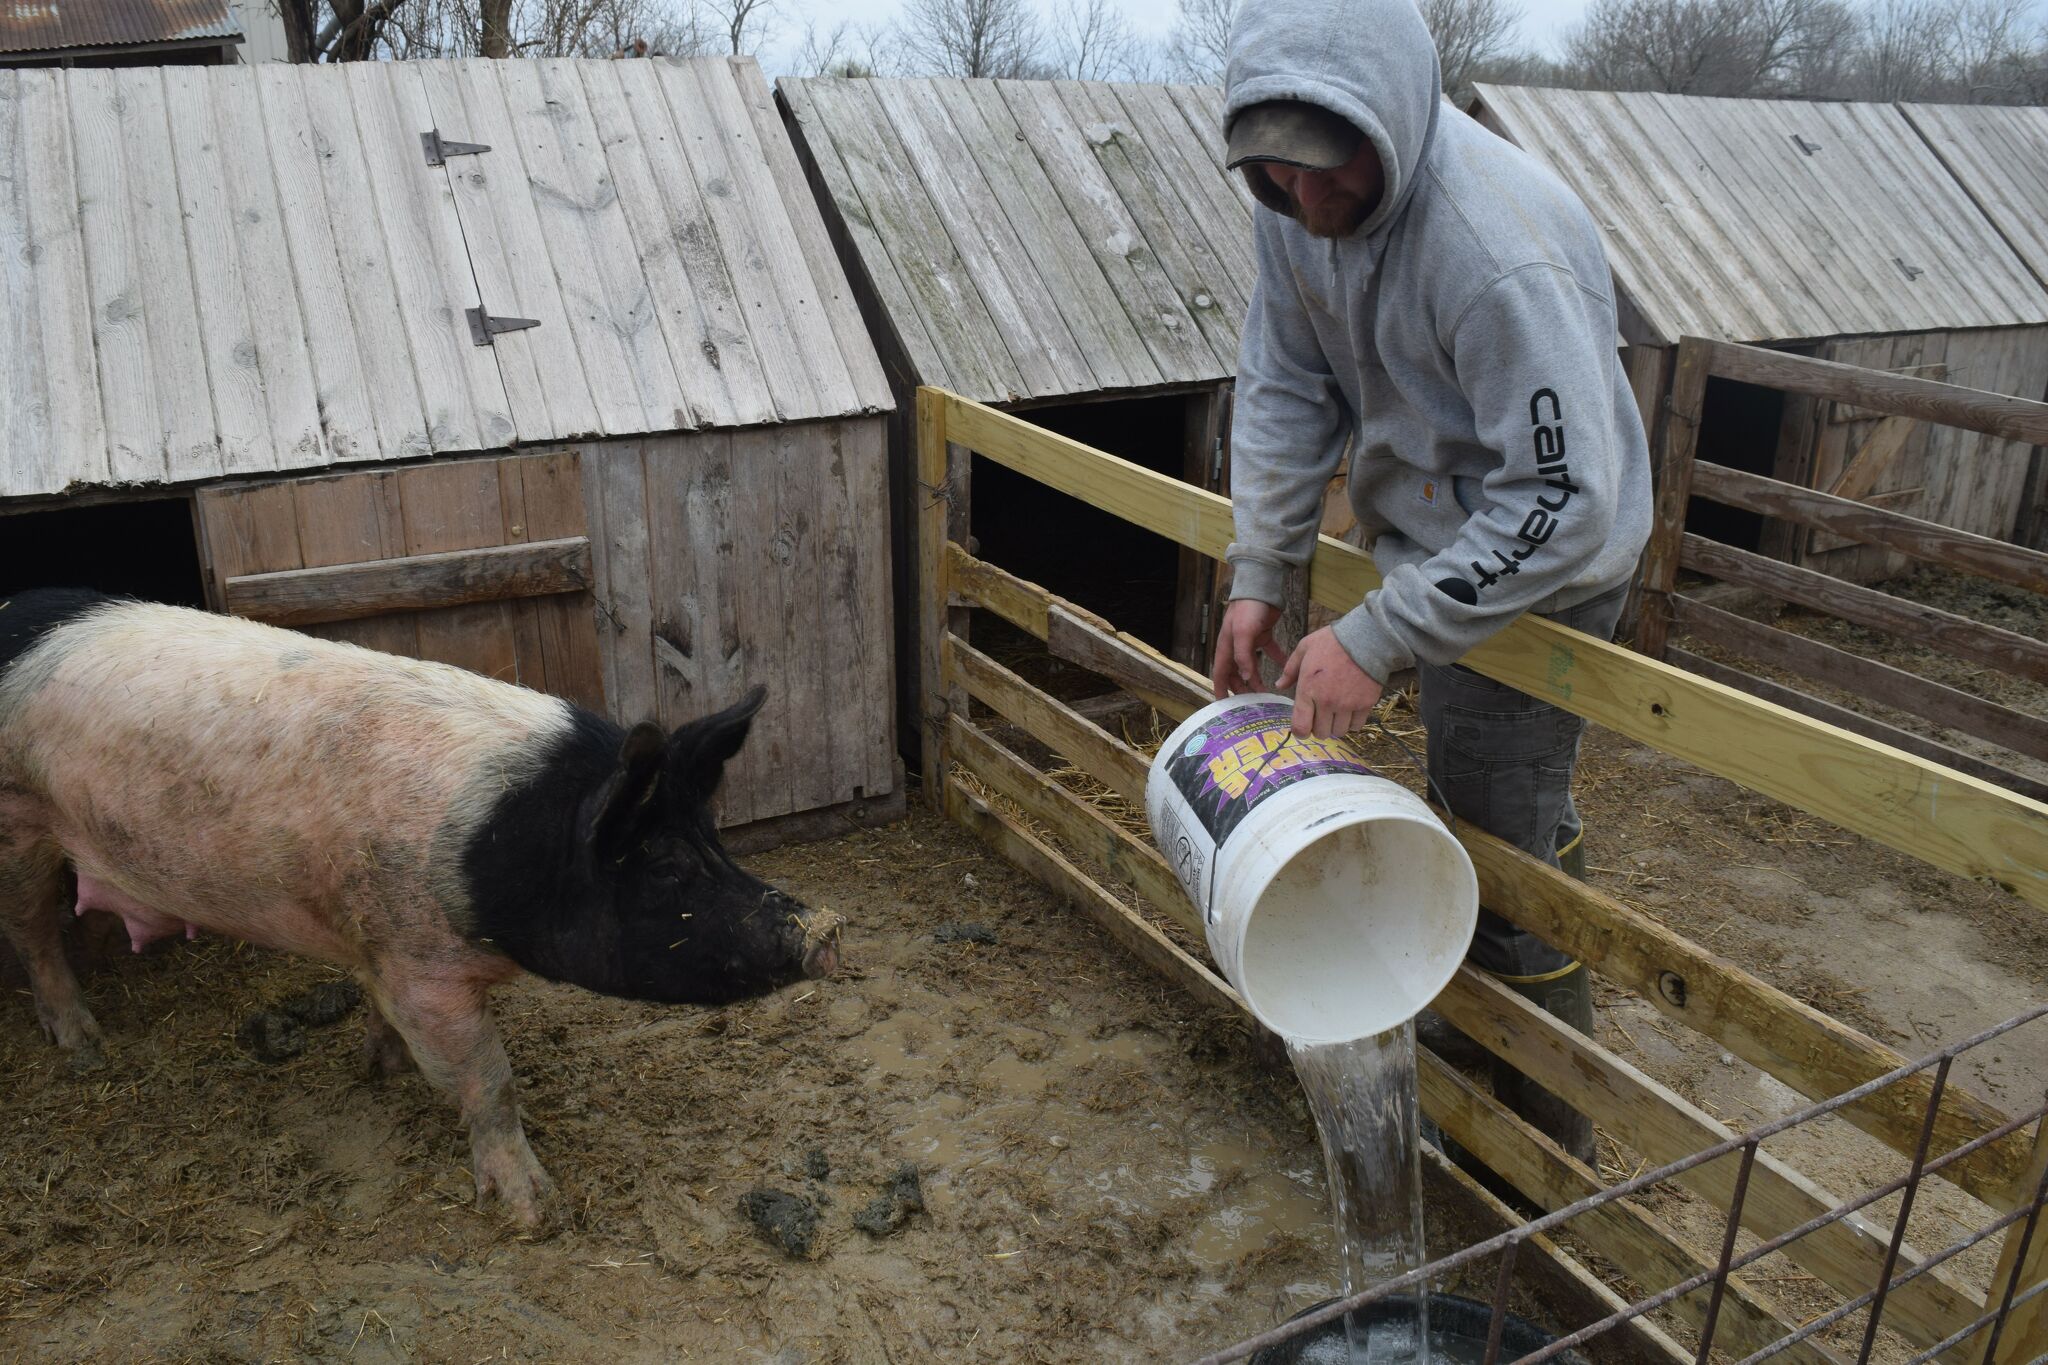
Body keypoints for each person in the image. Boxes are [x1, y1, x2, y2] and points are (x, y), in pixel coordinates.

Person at [1209, 0, 1653, 1163]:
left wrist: (1375, 633)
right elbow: (1283, 380)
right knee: (1483, 807)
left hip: (1541, 568)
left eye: (1327, 165)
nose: (1306, 202)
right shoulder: (1293, 209)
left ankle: (1545, 1137)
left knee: (1498, 829)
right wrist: (1261, 567)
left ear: (1393, 114)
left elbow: (1563, 499)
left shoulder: (1494, 250)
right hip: (1425, 534)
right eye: (1273, 172)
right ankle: (1470, 1051)